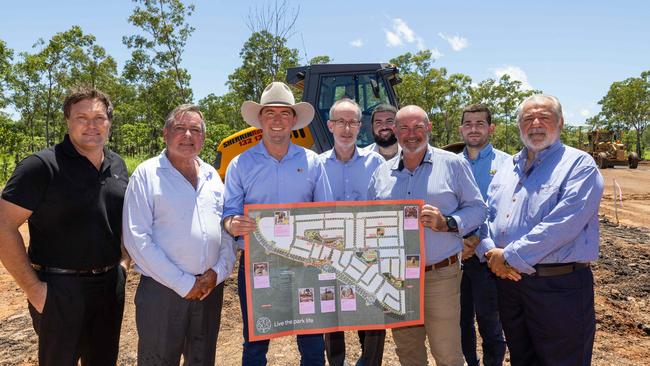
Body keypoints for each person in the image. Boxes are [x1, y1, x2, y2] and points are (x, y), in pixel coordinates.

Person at [0, 87, 129, 365]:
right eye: (81, 117)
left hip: (109, 286)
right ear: (67, 121)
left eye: (99, 117)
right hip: (58, 288)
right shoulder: (40, 166)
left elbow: (119, 219)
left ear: (109, 122)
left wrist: (123, 264)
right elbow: (3, 227)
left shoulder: (118, 164)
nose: (91, 125)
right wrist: (34, 290)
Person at [476, 95, 604, 366]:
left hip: (559, 287)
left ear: (560, 123)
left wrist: (507, 256)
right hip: (510, 283)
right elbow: (487, 216)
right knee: (522, 358)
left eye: (544, 117)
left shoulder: (579, 165)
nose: (535, 124)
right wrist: (490, 253)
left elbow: (564, 223)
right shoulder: (506, 169)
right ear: (519, 125)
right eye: (527, 118)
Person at [223, 81, 332, 365]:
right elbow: (229, 212)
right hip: (258, 263)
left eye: (284, 114)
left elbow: (325, 213)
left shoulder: (312, 162)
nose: (277, 121)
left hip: (305, 264)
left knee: (311, 338)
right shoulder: (240, 164)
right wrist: (232, 224)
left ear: (294, 120)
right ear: (260, 119)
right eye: (269, 113)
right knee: (256, 340)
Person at [368, 105, 487, 366]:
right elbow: (369, 221)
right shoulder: (381, 173)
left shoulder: (453, 164)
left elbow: (478, 209)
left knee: (447, 353)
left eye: (418, 127)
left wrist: (448, 222)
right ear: (395, 131)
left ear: (429, 128)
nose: (411, 134)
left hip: (440, 275)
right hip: (397, 278)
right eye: (404, 128)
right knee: (408, 353)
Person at [122, 104, 236, 365]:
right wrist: (185, 283)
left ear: (203, 138)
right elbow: (136, 238)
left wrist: (218, 272)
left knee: (202, 358)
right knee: (159, 360)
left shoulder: (212, 177)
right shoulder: (147, 175)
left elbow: (226, 231)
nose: (187, 135)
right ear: (165, 134)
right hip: (163, 292)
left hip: (209, 291)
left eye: (195, 130)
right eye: (180, 128)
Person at [319, 98, 385, 366]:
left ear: (360, 127)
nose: (347, 129)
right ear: (330, 125)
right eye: (341, 122)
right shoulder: (317, 164)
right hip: (330, 253)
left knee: (372, 311)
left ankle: (369, 361)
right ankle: (337, 361)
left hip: (368, 252)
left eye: (353, 123)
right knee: (331, 310)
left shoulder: (376, 162)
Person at [457, 104, 509, 366]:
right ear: (461, 129)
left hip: (489, 259)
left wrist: (477, 239)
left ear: (491, 128)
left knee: (490, 323)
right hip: (455, 256)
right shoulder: (451, 163)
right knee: (460, 321)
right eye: (468, 123)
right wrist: (459, 242)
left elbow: (503, 209)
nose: (473, 128)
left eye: (480, 123)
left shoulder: (508, 163)